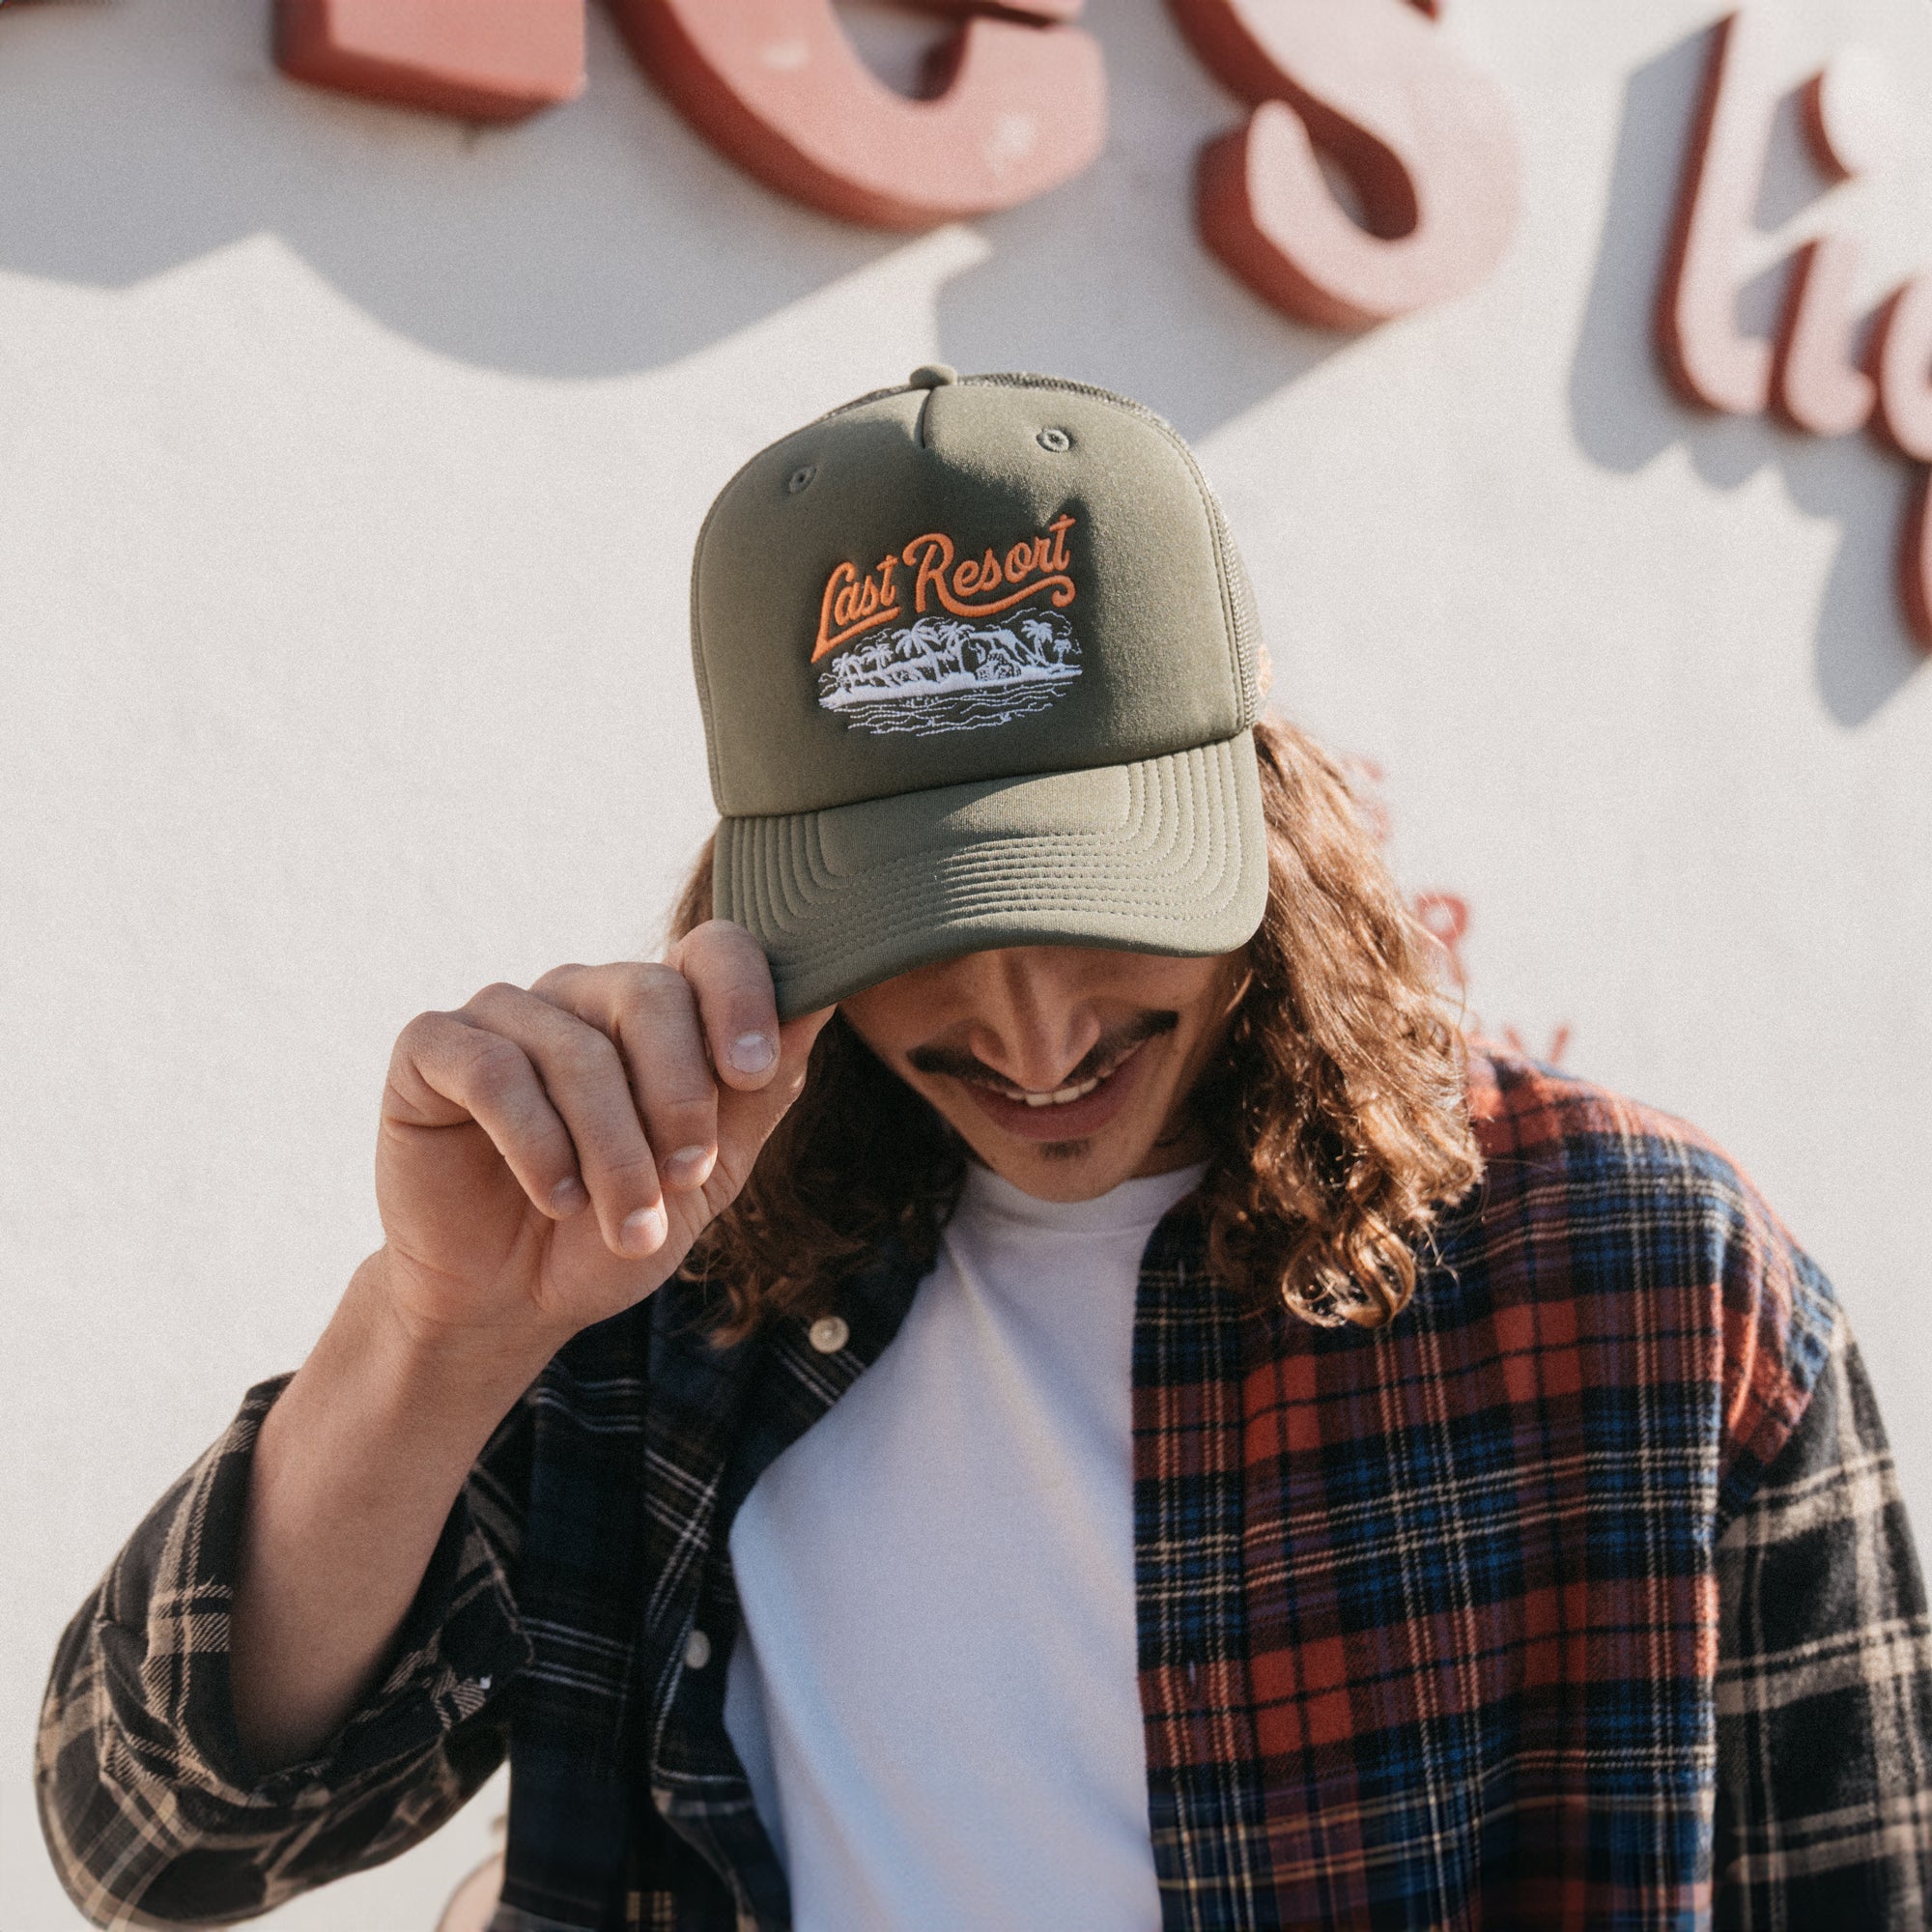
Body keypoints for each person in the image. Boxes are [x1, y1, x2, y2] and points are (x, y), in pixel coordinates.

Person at [37, 369, 1932, 1932]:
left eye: (1104, 898)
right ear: (768, 898)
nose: (1032, 1036)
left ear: (1265, 819)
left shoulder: (1645, 1285)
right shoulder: (657, 1277)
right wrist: (441, 1327)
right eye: (921, 918)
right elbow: (155, 1843)